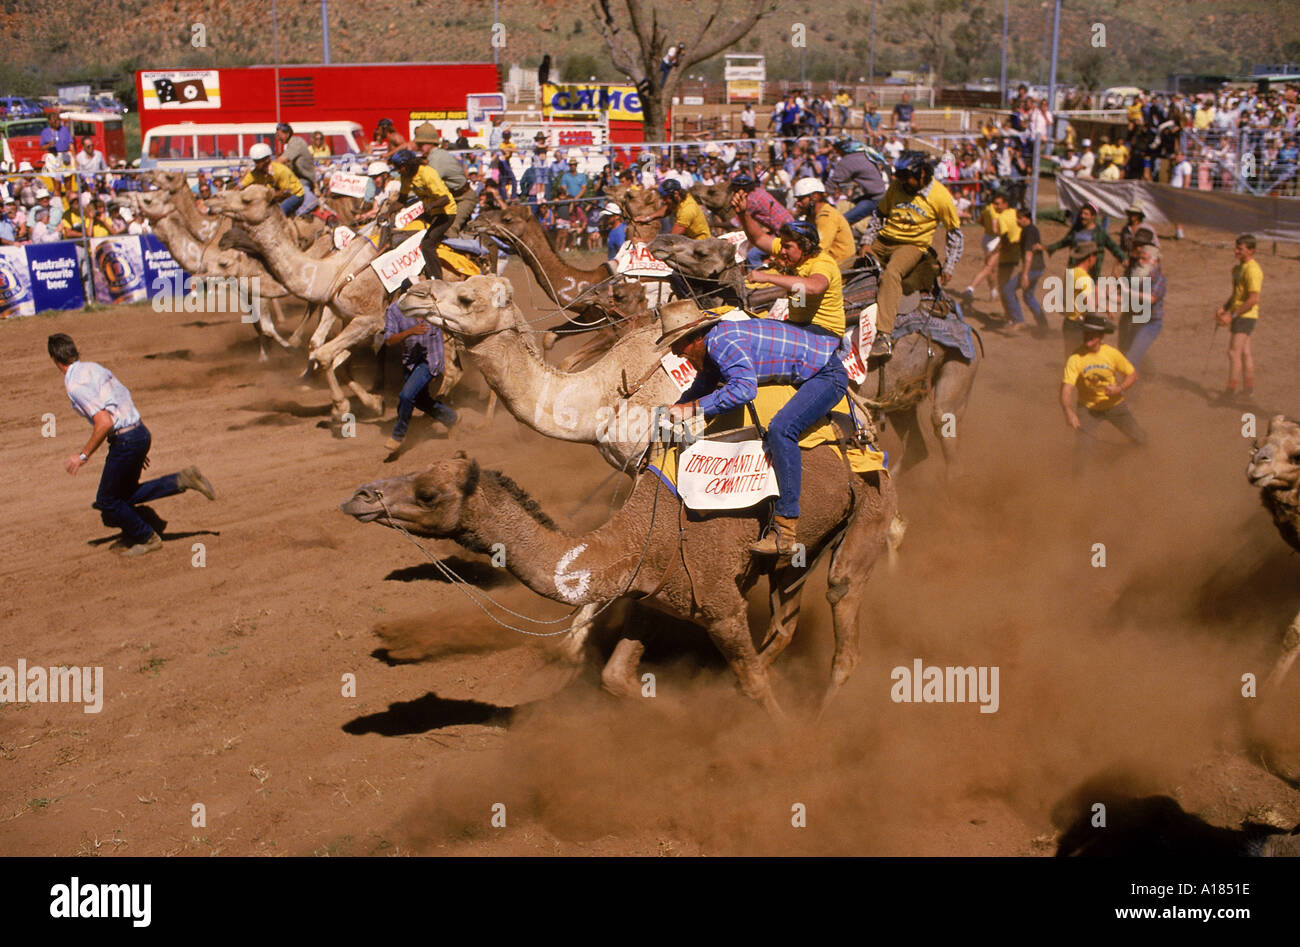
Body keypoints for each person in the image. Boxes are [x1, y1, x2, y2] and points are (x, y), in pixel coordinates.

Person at [655, 299, 848, 560]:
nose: (676, 353)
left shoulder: (723, 343)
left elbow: (744, 390)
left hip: (826, 374)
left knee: (781, 429)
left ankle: (786, 530)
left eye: (678, 345)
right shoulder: (712, 346)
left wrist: (692, 409)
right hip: (814, 367)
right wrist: (677, 407)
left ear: (695, 338)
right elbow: (704, 384)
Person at [49, 333, 215, 557]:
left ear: (54, 359)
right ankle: (181, 479)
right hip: (138, 431)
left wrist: (82, 456)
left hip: (126, 439)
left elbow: (104, 422)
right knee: (124, 495)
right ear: (74, 351)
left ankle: (146, 537)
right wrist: (136, 443)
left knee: (107, 502)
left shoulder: (75, 385)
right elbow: (122, 396)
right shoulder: (94, 368)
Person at [860, 151, 963, 359]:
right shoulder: (897, 187)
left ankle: (884, 336)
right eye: (901, 177)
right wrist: (866, 242)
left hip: (912, 245)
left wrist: (949, 266)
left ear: (923, 174)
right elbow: (879, 215)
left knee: (892, 273)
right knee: (850, 265)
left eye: (908, 177)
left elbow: (955, 234)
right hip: (884, 240)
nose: (904, 182)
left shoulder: (941, 197)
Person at [1060, 312, 1146, 475]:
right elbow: (1066, 389)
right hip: (1088, 410)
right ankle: (1077, 487)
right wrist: (1069, 411)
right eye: (1086, 332)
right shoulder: (1075, 358)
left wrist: (1120, 388)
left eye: (1092, 334)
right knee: (1081, 451)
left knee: (1139, 438)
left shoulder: (1111, 354)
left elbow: (1132, 374)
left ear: (1100, 336)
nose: (1087, 337)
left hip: (1115, 406)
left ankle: (1146, 467)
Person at [381, 292, 458, 457]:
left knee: (406, 396)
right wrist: (410, 332)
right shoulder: (394, 311)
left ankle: (398, 435)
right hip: (410, 362)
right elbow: (388, 340)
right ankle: (452, 418)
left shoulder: (432, 305)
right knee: (421, 400)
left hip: (431, 359)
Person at [746, 219, 846, 338]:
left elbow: (815, 287)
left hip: (825, 331)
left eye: (787, 247)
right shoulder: (794, 254)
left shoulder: (822, 263)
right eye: (782, 246)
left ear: (805, 247)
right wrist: (742, 213)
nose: (782, 251)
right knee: (754, 328)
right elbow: (758, 238)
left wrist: (767, 277)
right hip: (800, 324)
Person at [387, 148, 455, 280]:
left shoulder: (428, 174)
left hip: (446, 212)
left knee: (427, 244)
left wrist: (431, 205)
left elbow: (445, 199)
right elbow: (401, 201)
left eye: (399, 168)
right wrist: (388, 212)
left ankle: (436, 279)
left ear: (407, 165)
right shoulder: (405, 177)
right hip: (430, 210)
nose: (398, 171)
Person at [1215, 233, 1263, 398]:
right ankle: (1248, 390)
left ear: (1251, 250)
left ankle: (1230, 391)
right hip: (1240, 314)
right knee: (1244, 352)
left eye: (1240, 249)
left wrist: (1232, 316)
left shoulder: (1253, 270)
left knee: (1233, 352)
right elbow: (1236, 293)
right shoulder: (1237, 269)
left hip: (1246, 315)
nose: (1235, 251)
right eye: (1236, 247)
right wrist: (1224, 307)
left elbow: (1252, 299)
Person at [410, 123, 475, 238]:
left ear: (430, 144)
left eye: (421, 144)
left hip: (463, 199)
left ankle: (456, 255)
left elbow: (427, 184)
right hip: (451, 198)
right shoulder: (432, 157)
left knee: (449, 229)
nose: (419, 148)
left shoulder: (436, 159)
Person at [1120, 235, 1165, 371]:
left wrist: (1127, 292)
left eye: (1143, 259)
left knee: (1132, 357)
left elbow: (1151, 298)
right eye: (1140, 258)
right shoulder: (1139, 275)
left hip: (1150, 323)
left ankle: (1133, 389)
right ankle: (1146, 374)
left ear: (1154, 261)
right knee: (1127, 351)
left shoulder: (1159, 279)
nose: (1139, 261)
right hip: (1137, 320)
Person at [789, 177, 854, 267]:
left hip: (839, 266)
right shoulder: (812, 216)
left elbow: (819, 249)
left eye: (801, 199)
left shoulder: (826, 216)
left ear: (814, 197)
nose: (798, 203)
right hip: (828, 263)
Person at [964, 190, 1014, 303]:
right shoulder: (996, 213)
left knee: (991, 270)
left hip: (986, 238)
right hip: (995, 240)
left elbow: (979, 220)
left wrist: (988, 228)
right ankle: (971, 288)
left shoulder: (987, 209)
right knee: (988, 267)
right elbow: (996, 229)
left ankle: (993, 290)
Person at [827, 137, 888, 225]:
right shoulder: (863, 154)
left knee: (842, 222)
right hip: (877, 194)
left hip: (874, 199)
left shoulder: (847, 161)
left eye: (836, 149)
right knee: (849, 204)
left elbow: (833, 182)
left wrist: (823, 195)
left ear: (841, 149)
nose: (836, 152)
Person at [1006, 205, 1048, 333]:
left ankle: (1019, 321)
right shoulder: (1031, 229)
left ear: (1026, 218)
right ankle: (1043, 324)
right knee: (1028, 296)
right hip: (1038, 268)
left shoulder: (1029, 231)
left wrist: (1025, 275)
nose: (1017, 221)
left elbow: (1028, 254)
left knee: (1008, 289)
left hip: (1032, 269)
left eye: (1019, 218)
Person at [239, 142, 305, 216]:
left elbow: (287, 192)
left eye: (258, 161)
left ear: (267, 159)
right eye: (255, 161)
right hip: (275, 197)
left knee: (278, 213)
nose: (256, 164)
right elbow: (241, 185)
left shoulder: (280, 170)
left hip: (295, 195)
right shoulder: (255, 173)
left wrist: (266, 196)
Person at [636, 178, 711, 239]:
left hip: (699, 243)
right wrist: (648, 218)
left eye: (665, 198)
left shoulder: (687, 210)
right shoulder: (680, 198)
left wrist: (643, 241)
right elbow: (667, 209)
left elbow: (670, 238)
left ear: (676, 194)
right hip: (688, 238)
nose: (663, 201)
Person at [275, 122, 317, 194]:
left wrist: (269, 166)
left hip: (304, 179)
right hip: (297, 178)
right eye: (276, 136)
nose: (278, 138)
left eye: (279, 135)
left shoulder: (296, 142)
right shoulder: (290, 144)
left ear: (287, 133)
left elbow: (282, 160)